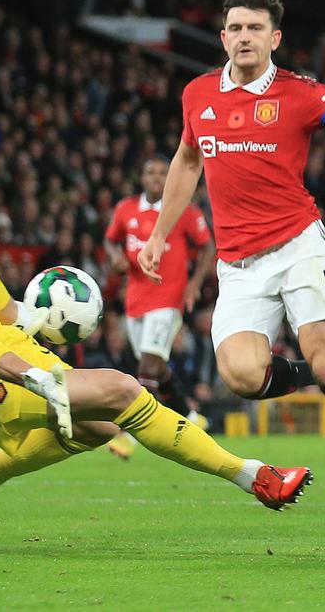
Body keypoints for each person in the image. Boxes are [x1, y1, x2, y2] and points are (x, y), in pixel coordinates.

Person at [0, 108, 311, 553]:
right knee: (119, 390)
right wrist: (26, 373)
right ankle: (255, 477)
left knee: (97, 428)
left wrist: (18, 314)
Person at [138, 0, 325, 520]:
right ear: (222, 37)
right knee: (242, 376)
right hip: (238, 266)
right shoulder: (197, 95)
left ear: (275, 38)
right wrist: (159, 232)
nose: (244, 37)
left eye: (255, 28)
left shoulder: (303, 94)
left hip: (299, 247)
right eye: (236, 29)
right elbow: (185, 162)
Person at [103, 156, 214, 459]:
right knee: (156, 368)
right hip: (136, 299)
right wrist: (115, 257)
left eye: (162, 172)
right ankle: (191, 417)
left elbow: (207, 246)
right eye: (150, 172)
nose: (156, 177)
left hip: (169, 297)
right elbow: (110, 240)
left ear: (170, 177)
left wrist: (193, 284)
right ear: (142, 177)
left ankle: (130, 434)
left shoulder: (183, 210)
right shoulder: (125, 209)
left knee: (148, 366)